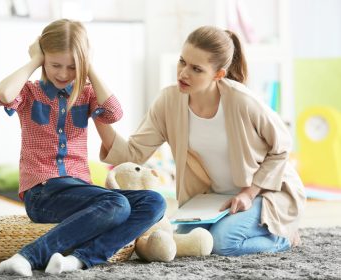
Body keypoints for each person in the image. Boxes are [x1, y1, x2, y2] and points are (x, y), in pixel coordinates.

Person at [96, 25, 306, 257]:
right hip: (212, 200)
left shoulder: (242, 101)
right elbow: (132, 155)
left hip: (264, 194)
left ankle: (283, 237)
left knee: (222, 243)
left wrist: (248, 193)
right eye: (182, 62)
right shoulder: (168, 102)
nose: (183, 73)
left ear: (218, 75)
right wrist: (97, 115)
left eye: (196, 69)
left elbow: (282, 148)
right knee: (189, 243)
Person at [0, 19, 166, 277]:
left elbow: (114, 112)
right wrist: (33, 60)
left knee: (154, 202)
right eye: (55, 65)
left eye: (73, 67)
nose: (63, 74)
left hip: (79, 191)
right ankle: (27, 257)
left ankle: (77, 260)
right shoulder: (29, 92)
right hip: (43, 194)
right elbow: (5, 94)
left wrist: (89, 67)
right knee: (117, 204)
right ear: (43, 59)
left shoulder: (86, 94)